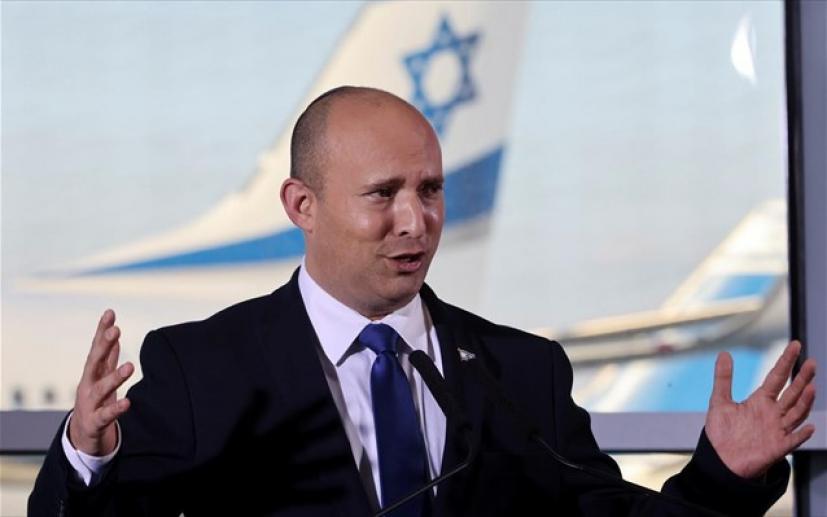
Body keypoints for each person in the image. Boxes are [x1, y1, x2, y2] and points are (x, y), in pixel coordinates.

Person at [30, 86, 817, 516]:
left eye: (431, 189)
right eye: (383, 194)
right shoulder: (204, 365)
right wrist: (86, 453)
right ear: (302, 205)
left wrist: (721, 475)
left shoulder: (521, 370)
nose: (416, 221)